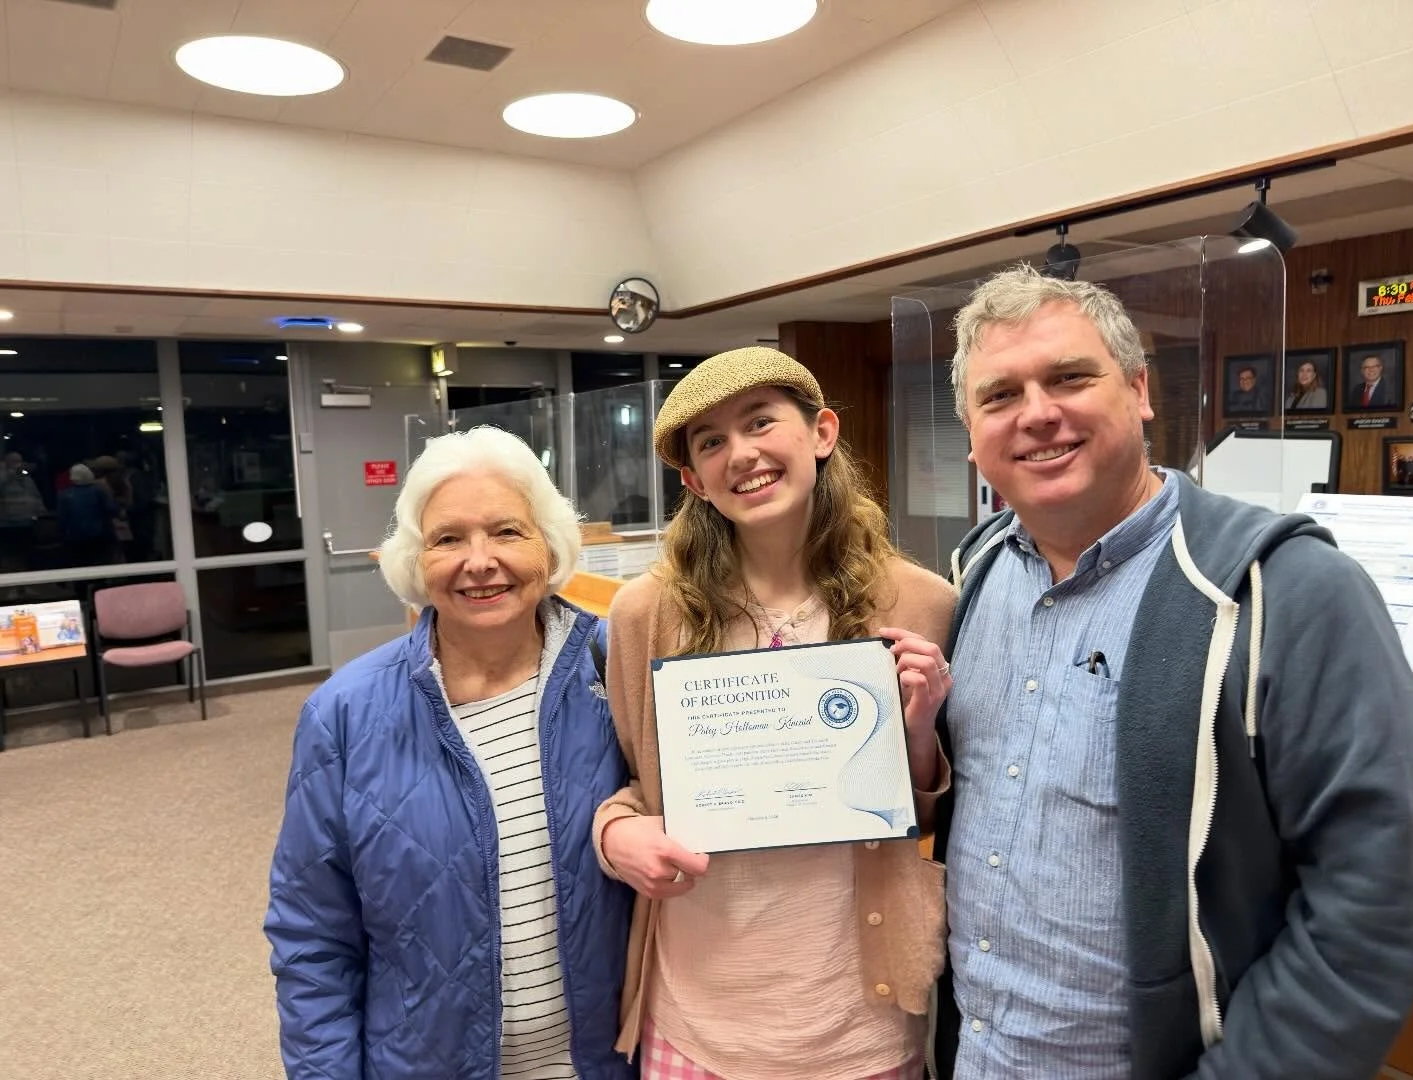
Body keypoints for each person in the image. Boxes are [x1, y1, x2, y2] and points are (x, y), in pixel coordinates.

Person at [933, 263, 1413, 1080]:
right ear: (971, 432)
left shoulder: (1290, 590)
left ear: (1138, 390)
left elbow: (1381, 904)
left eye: (1069, 377)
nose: (1037, 414)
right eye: (1000, 395)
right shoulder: (974, 574)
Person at [594, 347, 956, 1079]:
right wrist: (616, 833)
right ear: (693, 480)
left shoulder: (921, 604)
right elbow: (628, 783)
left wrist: (919, 734)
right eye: (712, 443)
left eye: (761, 422)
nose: (743, 454)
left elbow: (944, 817)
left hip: (859, 1020)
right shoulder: (644, 615)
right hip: (699, 1016)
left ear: (821, 433)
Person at [265, 426, 636, 1080]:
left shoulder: (625, 670)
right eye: (448, 539)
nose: (479, 560)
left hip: (613, 1063)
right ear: (414, 560)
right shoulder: (343, 714)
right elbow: (312, 937)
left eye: (507, 531)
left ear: (549, 547)